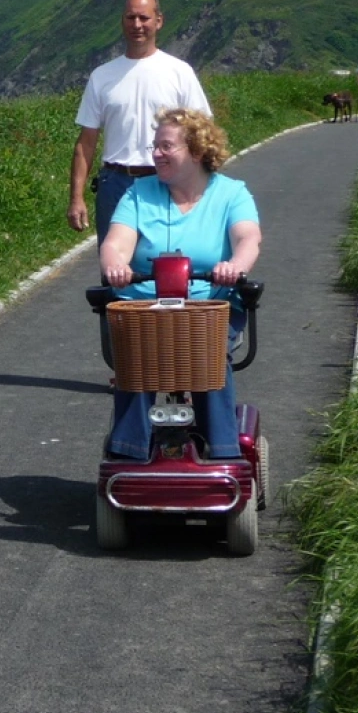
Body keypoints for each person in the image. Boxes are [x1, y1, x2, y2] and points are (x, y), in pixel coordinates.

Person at [99, 107, 262, 461]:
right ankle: (128, 454)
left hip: (208, 305)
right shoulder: (139, 193)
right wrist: (115, 266)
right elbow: (116, 243)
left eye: (166, 146)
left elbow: (249, 237)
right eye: (154, 146)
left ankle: (222, 452)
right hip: (146, 305)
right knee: (137, 351)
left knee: (208, 350)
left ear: (198, 152)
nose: (156, 154)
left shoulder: (232, 194)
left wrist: (233, 267)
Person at [67, 0, 211, 246]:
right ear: (122, 21)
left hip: (168, 180)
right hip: (115, 184)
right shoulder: (102, 76)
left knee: (169, 265)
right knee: (114, 270)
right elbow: (86, 142)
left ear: (159, 21)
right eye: (130, 17)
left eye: (144, 18)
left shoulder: (180, 72)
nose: (137, 25)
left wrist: (204, 188)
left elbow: (202, 134)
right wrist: (76, 198)